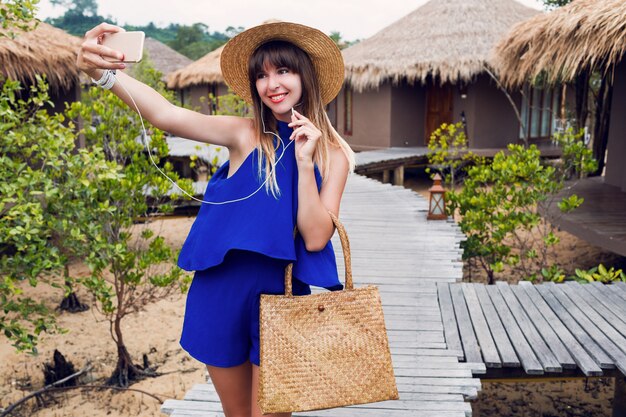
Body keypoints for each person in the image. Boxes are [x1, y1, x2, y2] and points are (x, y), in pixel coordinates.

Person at [77, 20, 355, 417]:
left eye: (283, 70)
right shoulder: (245, 135)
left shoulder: (332, 155)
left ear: (305, 76)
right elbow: (165, 113)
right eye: (261, 75)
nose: (271, 83)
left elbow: (314, 238)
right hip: (221, 292)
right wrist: (100, 73)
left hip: (283, 298)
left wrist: (305, 161)